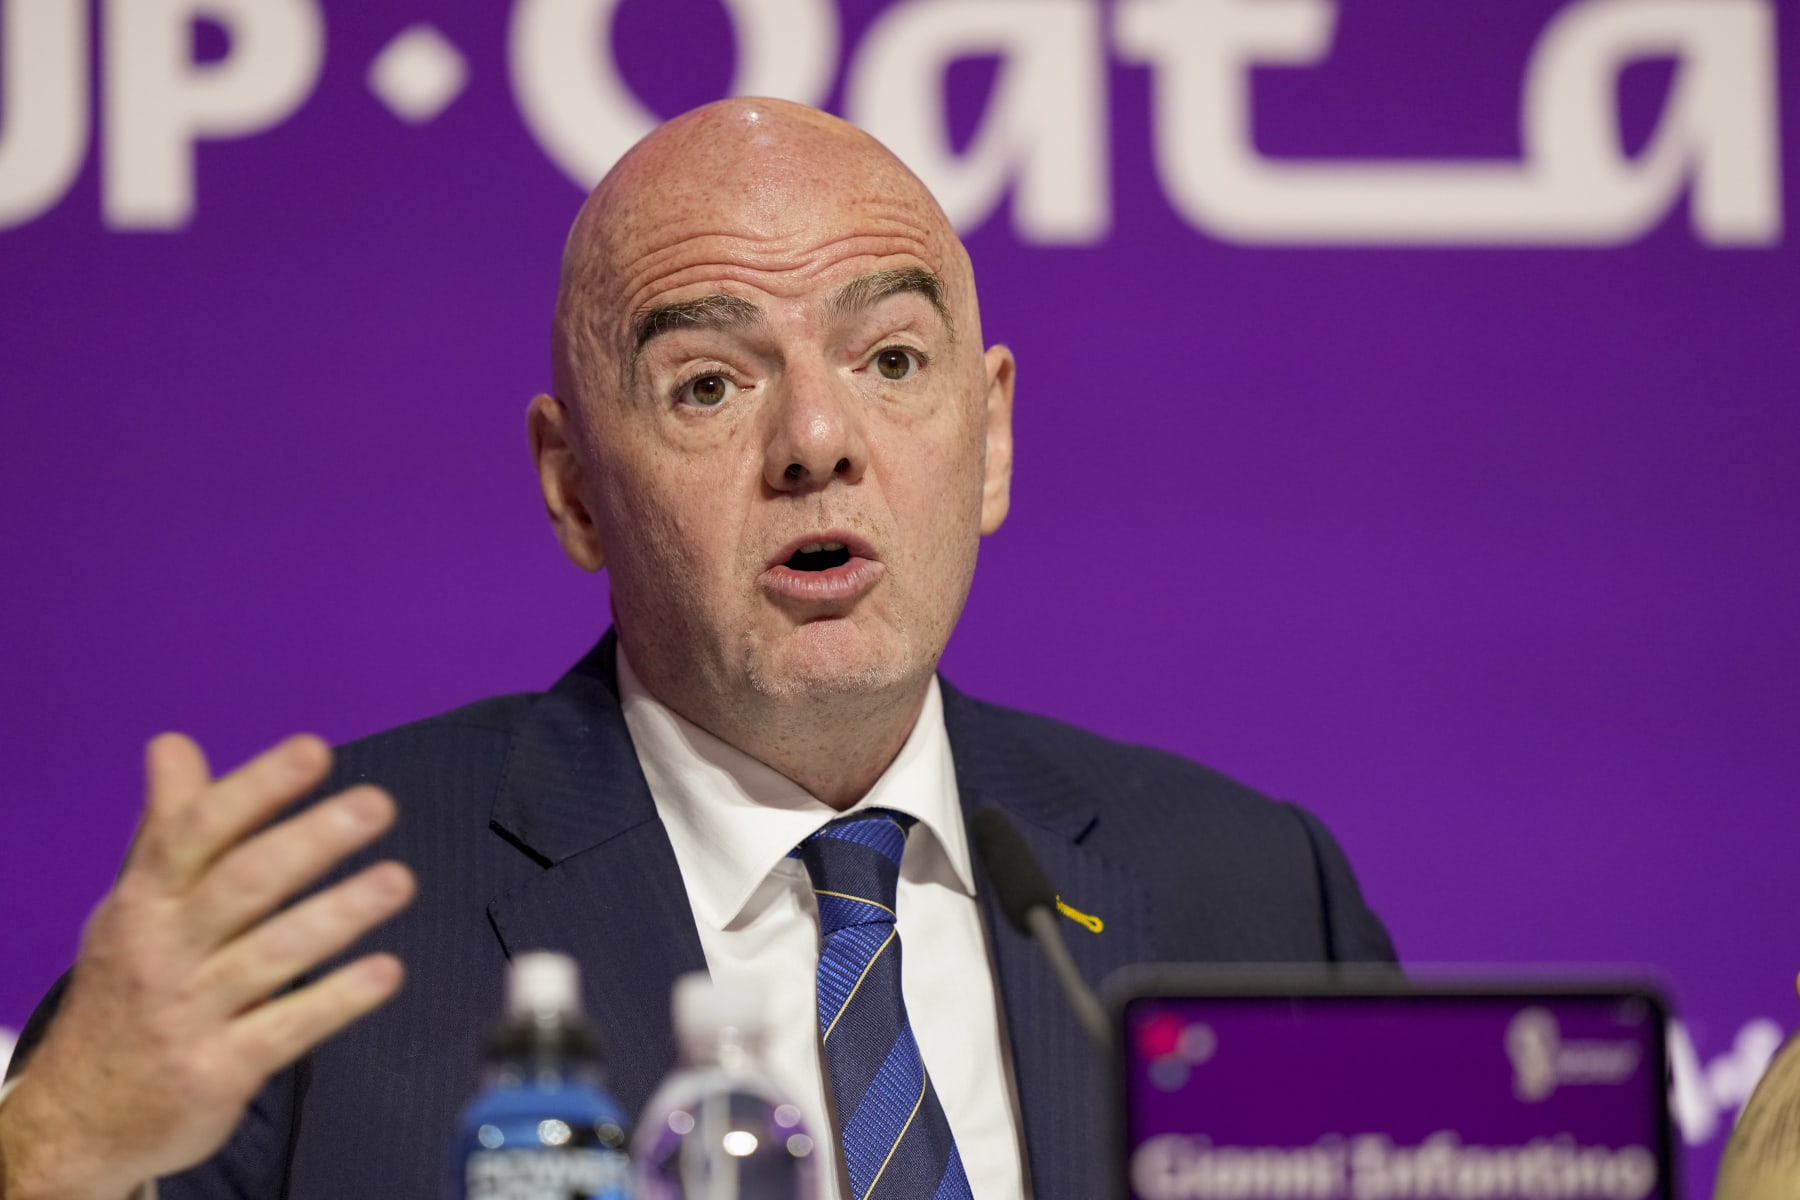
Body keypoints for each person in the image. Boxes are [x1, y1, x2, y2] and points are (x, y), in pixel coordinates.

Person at [0, 99, 1394, 1200]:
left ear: (994, 437)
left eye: (890, 362)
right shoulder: (318, 927)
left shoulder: (1251, 902)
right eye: (710, 384)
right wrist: (51, 1152)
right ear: (574, 488)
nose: (817, 441)